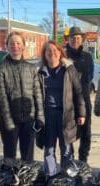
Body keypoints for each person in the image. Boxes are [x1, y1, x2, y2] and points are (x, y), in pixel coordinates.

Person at [36, 41, 85, 177]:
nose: (52, 53)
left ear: (60, 52)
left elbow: (78, 91)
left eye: (55, 50)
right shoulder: (39, 72)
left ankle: (67, 179)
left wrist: (81, 113)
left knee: (66, 149)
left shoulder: (69, 70)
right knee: (49, 149)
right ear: (44, 55)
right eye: (48, 51)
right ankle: (50, 179)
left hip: (66, 115)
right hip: (48, 116)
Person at [0, 32, 44, 162]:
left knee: (28, 157)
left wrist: (40, 116)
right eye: (12, 43)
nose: (15, 46)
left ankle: (27, 181)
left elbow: (37, 93)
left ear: (23, 46)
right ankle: (10, 181)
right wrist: (8, 121)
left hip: (29, 119)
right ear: (7, 46)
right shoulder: (1, 68)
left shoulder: (31, 68)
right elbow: (2, 97)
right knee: (9, 156)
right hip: (10, 120)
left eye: (18, 43)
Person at [65, 26, 94, 163]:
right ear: (68, 39)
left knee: (86, 133)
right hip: (67, 100)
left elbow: (88, 77)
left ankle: (83, 162)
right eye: (72, 38)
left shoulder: (87, 57)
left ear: (82, 39)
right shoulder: (63, 55)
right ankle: (69, 161)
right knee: (67, 132)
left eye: (77, 38)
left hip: (84, 98)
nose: (75, 40)